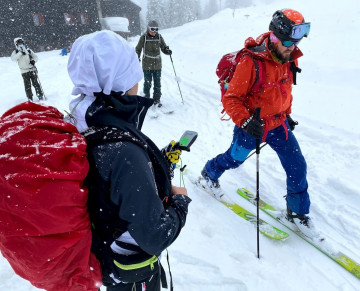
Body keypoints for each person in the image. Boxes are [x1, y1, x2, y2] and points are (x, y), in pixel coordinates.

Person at [67, 30, 191, 291]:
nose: (138, 81)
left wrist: (157, 164)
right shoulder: (122, 150)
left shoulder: (81, 119)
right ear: (119, 81)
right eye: (133, 74)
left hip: (103, 257)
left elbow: (108, 184)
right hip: (130, 270)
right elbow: (155, 235)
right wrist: (180, 201)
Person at [201, 9, 313, 234]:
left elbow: (284, 92)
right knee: (234, 159)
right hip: (252, 126)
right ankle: (209, 174)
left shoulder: (287, 58)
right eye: (288, 41)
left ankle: (297, 213)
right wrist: (245, 121)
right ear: (274, 36)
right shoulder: (250, 62)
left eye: (296, 41)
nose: (292, 46)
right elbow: (232, 99)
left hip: (278, 124)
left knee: (297, 166)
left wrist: (286, 113)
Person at [136, 20, 172, 107]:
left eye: (156, 29)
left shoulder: (159, 37)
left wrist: (167, 51)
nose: (154, 31)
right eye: (152, 29)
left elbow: (163, 47)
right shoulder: (144, 38)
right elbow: (138, 48)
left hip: (157, 64)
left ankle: (157, 99)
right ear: (148, 28)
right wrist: (137, 57)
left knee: (157, 83)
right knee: (147, 83)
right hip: (147, 64)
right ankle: (146, 99)